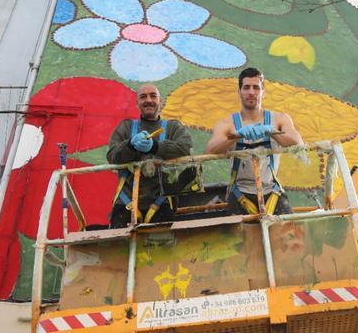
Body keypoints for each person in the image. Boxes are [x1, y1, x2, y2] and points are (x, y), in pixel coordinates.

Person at [205, 67, 303, 215]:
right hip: (239, 192)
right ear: (239, 92)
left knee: (290, 234)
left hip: (272, 191)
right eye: (246, 87)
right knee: (240, 238)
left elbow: (297, 142)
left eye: (256, 87)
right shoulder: (228, 124)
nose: (251, 92)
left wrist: (272, 132)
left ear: (263, 91)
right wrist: (236, 136)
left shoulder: (279, 119)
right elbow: (210, 150)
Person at [107, 83, 193, 228]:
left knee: (163, 248)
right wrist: (129, 145)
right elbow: (112, 156)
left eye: (153, 96)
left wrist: (155, 146)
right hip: (126, 203)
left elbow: (185, 148)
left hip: (162, 203)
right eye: (143, 97)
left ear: (160, 101)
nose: (148, 100)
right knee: (119, 247)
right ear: (137, 103)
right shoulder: (126, 128)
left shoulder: (173, 128)